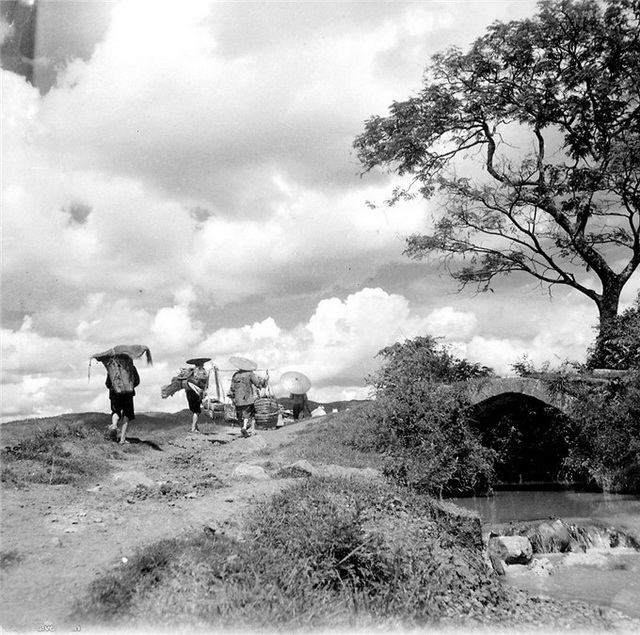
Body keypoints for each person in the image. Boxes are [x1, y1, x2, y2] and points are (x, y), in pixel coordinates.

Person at [104, 354, 140, 444]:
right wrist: (130, 387)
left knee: (116, 411)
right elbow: (137, 381)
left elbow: (107, 383)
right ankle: (122, 439)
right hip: (128, 394)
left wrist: (114, 388)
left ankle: (114, 426)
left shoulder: (113, 368)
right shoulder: (131, 367)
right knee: (126, 415)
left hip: (114, 393)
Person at [228, 368, 267, 437]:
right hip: (247, 397)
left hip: (237, 399)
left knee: (239, 414)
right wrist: (264, 381)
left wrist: (232, 397)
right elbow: (257, 383)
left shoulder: (235, 375)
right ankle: (245, 428)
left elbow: (232, 387)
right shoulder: (249, 373)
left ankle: (242, 430)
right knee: (248, 413)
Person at [184, 360, 210, 433]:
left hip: (189, 392)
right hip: (196, 392)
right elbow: (204, 383)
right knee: (197, 411)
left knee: (194, 410)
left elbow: (188, 382)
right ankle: (193, 428)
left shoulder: (190, 372)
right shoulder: (201, 372)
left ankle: (196, 427)